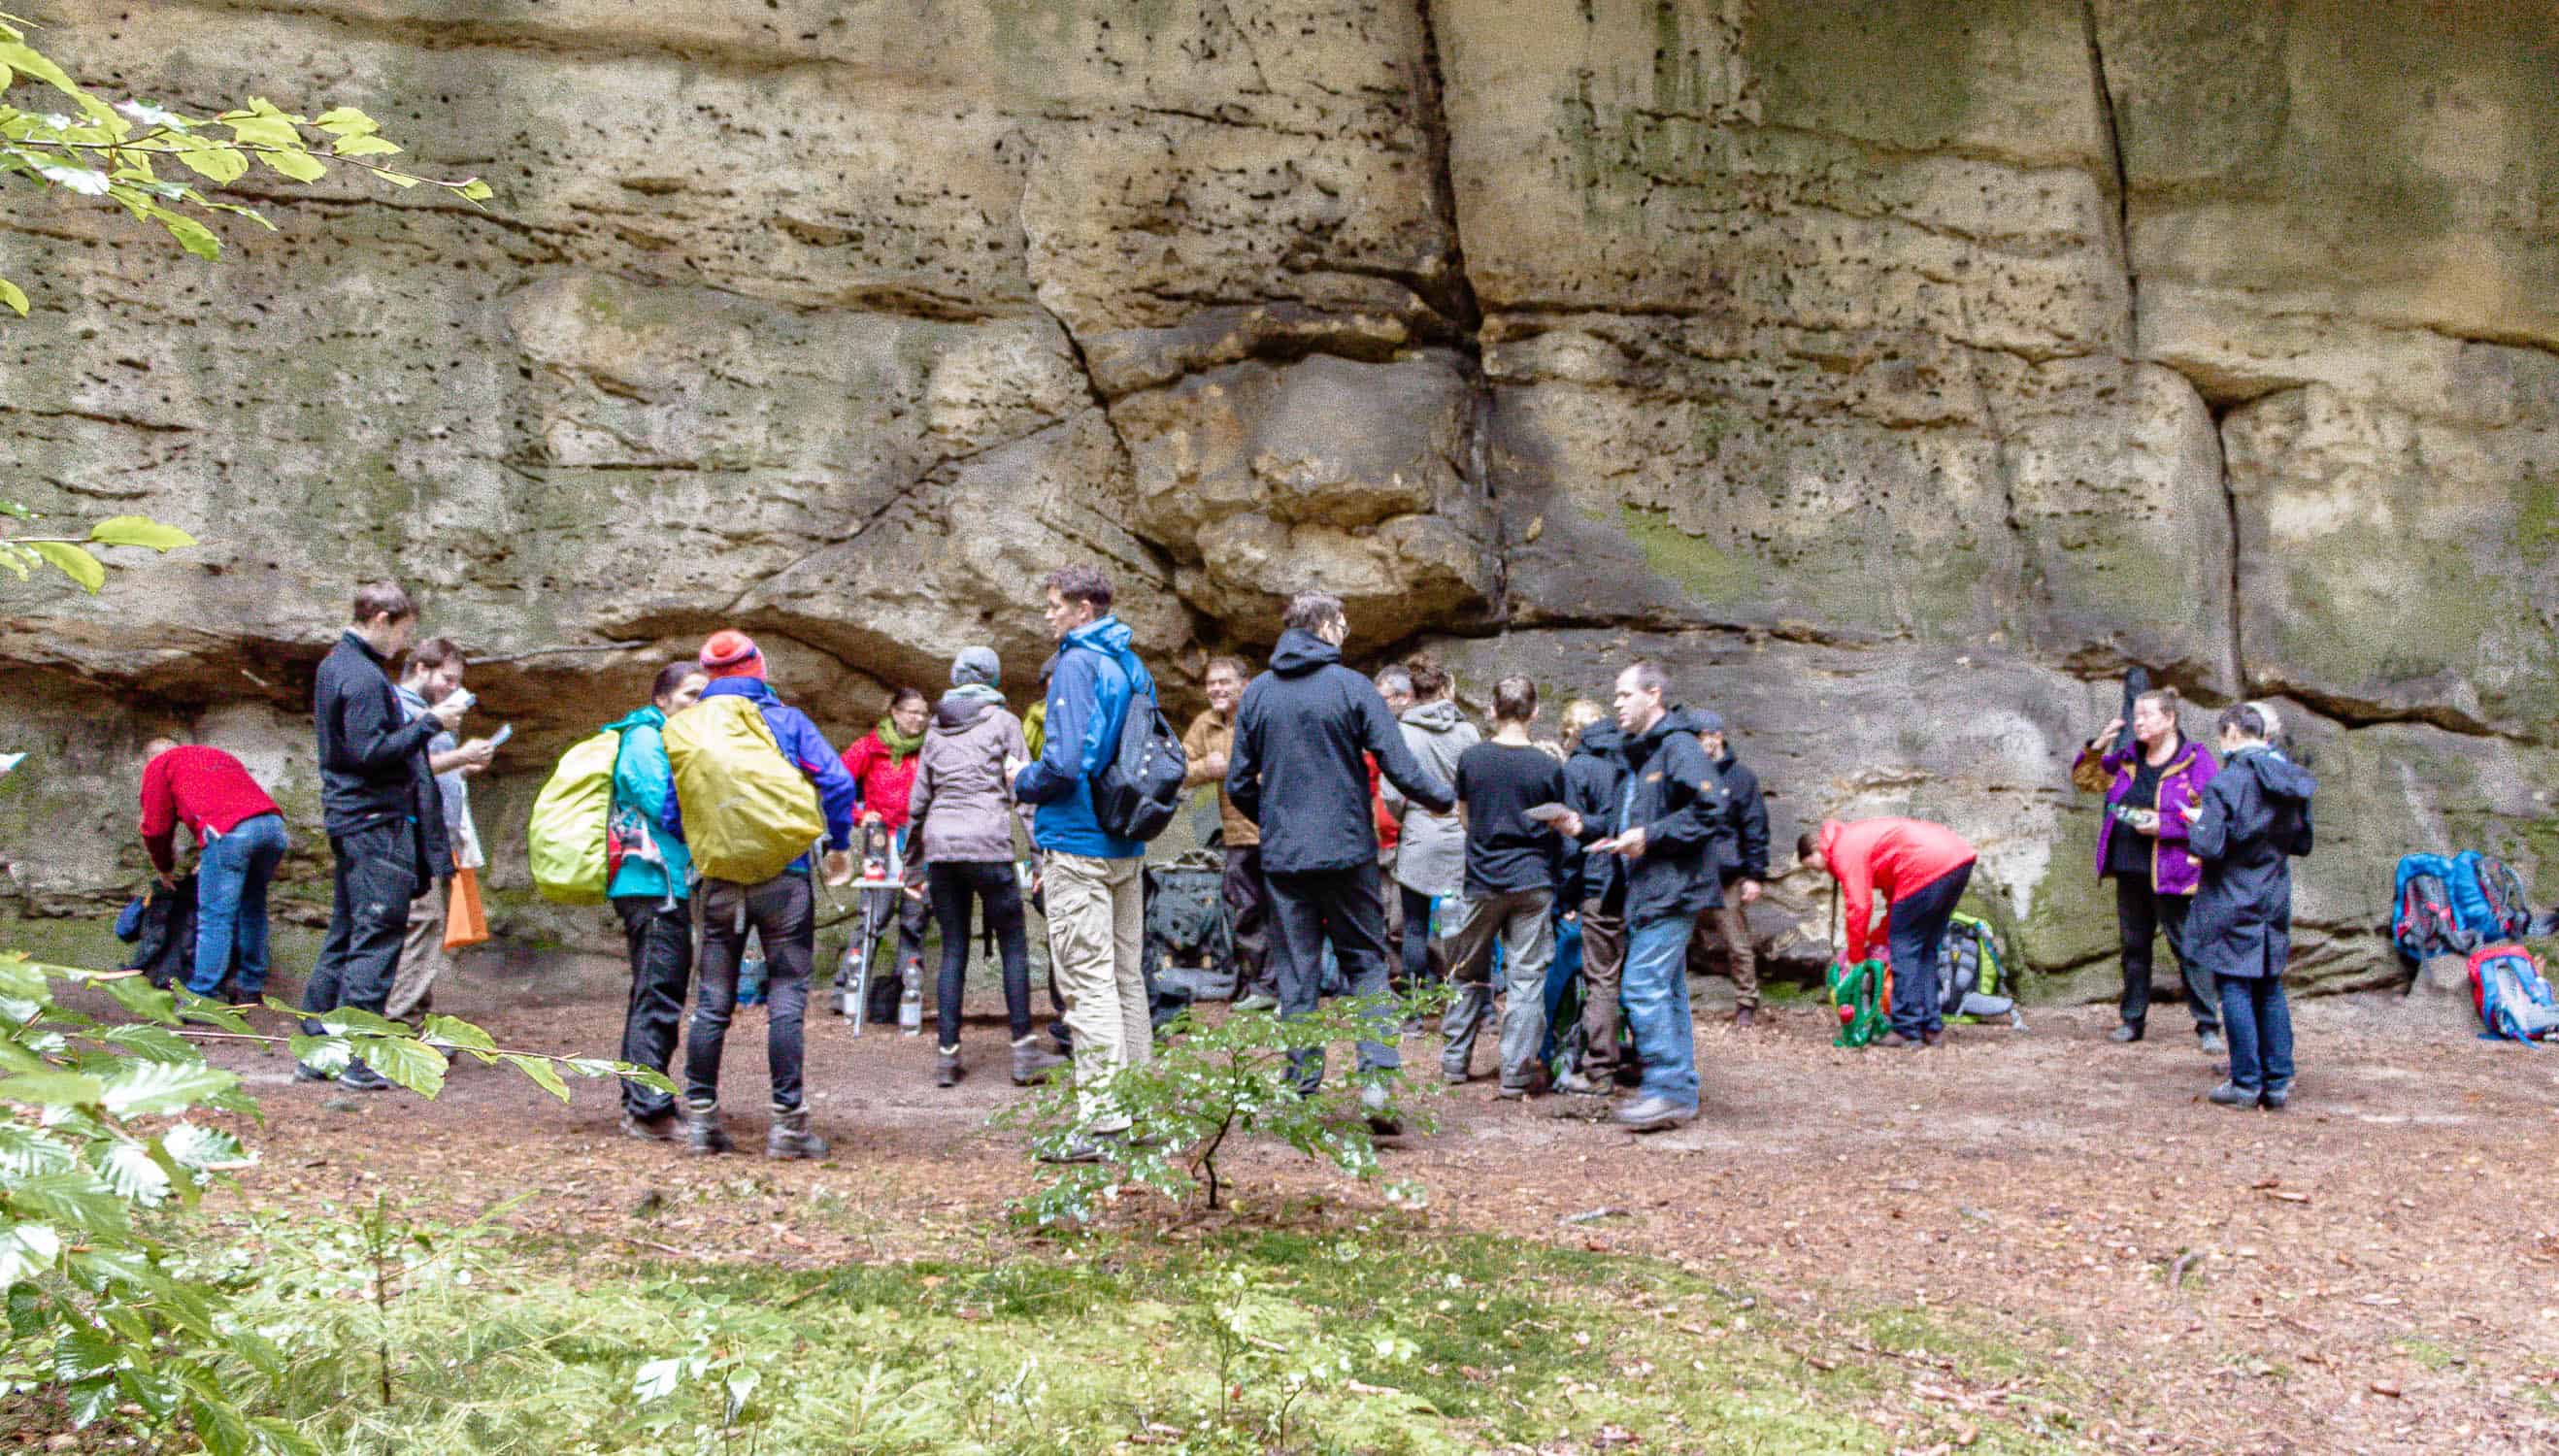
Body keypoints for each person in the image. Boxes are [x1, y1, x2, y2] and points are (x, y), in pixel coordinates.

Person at [1227, 592, 1453, 1131]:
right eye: (1343, 623)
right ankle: (1376, 1085)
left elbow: (1238, 782)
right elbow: (1399, 765)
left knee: (1297, 975)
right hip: (1349, 852)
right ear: (1325, 626)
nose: (1346, 632)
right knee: (1367, 964)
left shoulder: (1257, 694)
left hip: (1283, 859)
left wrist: (1276, 820)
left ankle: (1301, 1094)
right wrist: (1446, 799)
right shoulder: (1353, 687)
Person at [667, 631, 857, 1160]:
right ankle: (788, 1128)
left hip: (720, 883)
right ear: (760, 668)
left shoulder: (686, 730)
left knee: (711, 1004)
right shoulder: (787, 722)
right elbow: (838, 783)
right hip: (786, 878)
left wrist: (711, 842)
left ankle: (702, 1122)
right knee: (787, 999)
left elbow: (669, 808)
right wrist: (838, 842)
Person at [1013, 566, 1157, 1163]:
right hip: (1125, 840)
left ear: (1085, 608)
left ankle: (1103, 1123)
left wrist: (1020, 778)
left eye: (1055, 605)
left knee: (1087, 982)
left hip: (1077, 841)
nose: (1048, 615)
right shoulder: (1131, 662)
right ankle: (1141, 1106)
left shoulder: (1077, 661)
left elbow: (1065, 763)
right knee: (1126, 978)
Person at [301, 581, 466, 1091]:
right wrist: (431, 723)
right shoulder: (362, 677)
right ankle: (358, 1057)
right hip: (376, 823)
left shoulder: (337, 667)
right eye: (402, 632)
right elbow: (370, 752)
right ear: (380, 620)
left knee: (347, 934)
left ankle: (315, 1048)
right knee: (376, 937)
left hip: (355, 821)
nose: (402, 645)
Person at [1552, 664, 1732, 1131]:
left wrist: (1650, 837)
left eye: (1624, 694)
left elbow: (1711, 808)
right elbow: (1626, 822)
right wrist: (1582, 828)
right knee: (1667, 991)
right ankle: (1680, 1089)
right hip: (1648, 890)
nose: (1615, 704)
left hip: (1671, 891)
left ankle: (1667, 1090)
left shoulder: (1678, 747)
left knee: (1640, 986)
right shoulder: (1643, 756)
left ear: (1653, 695)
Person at [910, 646, 1064, 1089]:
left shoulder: (937, 729)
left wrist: (913, 869)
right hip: (989, 846)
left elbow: (918, 802)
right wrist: (1039, 859)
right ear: (993, 682)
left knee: (953, 946)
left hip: (942, 850)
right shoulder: (1005, 723)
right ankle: (1023, 1054)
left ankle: (946, 1058)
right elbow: (1025, 796)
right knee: (1014, 944)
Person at [1437, 677, 1568, 1098]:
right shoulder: (1548, 766)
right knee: (1526, 978)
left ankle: (1455, 1062)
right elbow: (1558, 823)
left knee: (1466, 973)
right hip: (1532, 880)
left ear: (1492, 711)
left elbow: (1463, 815)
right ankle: (1515, 1073)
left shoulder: (1472, 759)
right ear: (1534, 713)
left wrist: (1485, 841)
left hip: (1482, 879)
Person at [2074, 687, 2223, 1051]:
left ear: (2170, 718)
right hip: (2129, 866)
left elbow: (2213, 816)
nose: (2139, 722)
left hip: (2173, 869)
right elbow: (2085, 780)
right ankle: (2132, 1020)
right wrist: (2099, 745)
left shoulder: (2196, 760)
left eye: (2148, 715)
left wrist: (2166, 824)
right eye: (2136, 716)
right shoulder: (2126, 758)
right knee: (2134, 947)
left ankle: (2207, 1026)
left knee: (2186, 945)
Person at [2183, 704, 2314, 1109]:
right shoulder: (2294, 783)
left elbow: (2207, 846)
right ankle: (2276, 1081)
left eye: (2222, 737)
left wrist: (2202, 821)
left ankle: (2245, 1082)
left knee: (2235, 985)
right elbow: (2303, 843)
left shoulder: (2226, 784)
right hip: (2273, 893)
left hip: (2232, 896)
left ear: (2234, 734)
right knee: (2269, 985)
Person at [603, 660, 708, 1142]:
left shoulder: (662, 737)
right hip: (651, 885)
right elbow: (664, 802)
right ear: (662, 699)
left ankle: (642, 1100)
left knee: (658, 989)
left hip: (661, 883)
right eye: (690, 694)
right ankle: (647, 1108)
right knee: (658, 993)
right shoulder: (645, 738)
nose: (698, 704)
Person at [385, 639, 498, 1025]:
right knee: (419, 925)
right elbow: (405, 766)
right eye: (448, 680)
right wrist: (460, 756)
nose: (454, 689)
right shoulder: (403, 709)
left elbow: (429, 768)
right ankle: (401, 1023)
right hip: (410, 838)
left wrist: (462, 767)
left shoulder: (425, 712)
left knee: (427, 927)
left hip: (433, 839)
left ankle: (414, 1012)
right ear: (421, 669)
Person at [1802, 816, 1979, 1050]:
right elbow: (1895, 900)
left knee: (1904, 949)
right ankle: (1931, 1028)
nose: (1819, 871)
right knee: (1925, 949)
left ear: (1816, 847)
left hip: (1924, 867)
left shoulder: (1843, 849)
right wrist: (1877, 938)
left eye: (1811, 864)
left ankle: (1907, 1029)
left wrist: (1856, 957)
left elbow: (1859, 906)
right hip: (1957, 860)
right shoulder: (1858, 837)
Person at [138, 737, 289, 1003]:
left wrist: (164, 868)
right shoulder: (217, 756)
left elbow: (156, 827)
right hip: (272, 826)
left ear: (150, 758)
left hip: (230, 833)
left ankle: (201, 997)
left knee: (215, 916)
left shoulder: (159, 764)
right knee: (252, 906)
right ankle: (250, 987)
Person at [1381, 654, 1477, 993]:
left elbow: (1391, 793)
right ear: (1446, 687)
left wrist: (1408, 818)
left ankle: (1413, 1010)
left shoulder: (1400, 732)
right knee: (1463, 924)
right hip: (1459, 835)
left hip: (1418, 836)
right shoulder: (1468, 731)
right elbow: (1477, 785)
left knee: (1414, 926)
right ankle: (1467, 1002)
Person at [840, 686, 932, 1023]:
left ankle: (904, 992)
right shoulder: (870, 746)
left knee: (914, 917)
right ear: (894, 711)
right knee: (873, 917)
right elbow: (837, 781)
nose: (918, 719)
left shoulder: (931, 748)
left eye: (923, 713)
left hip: (919, 842)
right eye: (911, 711)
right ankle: (848, 990)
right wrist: (859, 814)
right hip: (881, 842)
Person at [1182, 656, 1269, 1008]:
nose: (1216, 688)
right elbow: (1177, 769)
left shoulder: (1262, 716)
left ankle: (1276, 988)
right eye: (1210, 683)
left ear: (1244, 685)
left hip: (1273, 832)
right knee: (1245, 909)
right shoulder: (1205, 724)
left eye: (1224, 682)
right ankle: (1256, 984)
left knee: (1280, 911)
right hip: (1235, 836)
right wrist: (1205, 767)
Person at [1552, 699, 1627, 1096]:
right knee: (1636, 975)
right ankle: (1638, 1054)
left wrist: (1565, 897)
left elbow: (1571, 841)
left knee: (1601, 977)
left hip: (1598, 881)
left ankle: (1599, 1067)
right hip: (1636, 881)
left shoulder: (1577, 767)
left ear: (1571, 733)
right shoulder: (1630, 758)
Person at [1683, 712, 1770, 1028]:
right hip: (1689, 871)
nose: (1698, 745)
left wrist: (1755, 875)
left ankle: (1746, 1001)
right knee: (1675, 937)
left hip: (1726, 875)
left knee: (1737, 942)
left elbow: (1755, 827)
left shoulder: (1740, 778)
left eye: (1702, 738)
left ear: (1717, 737)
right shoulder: (1687, 774)